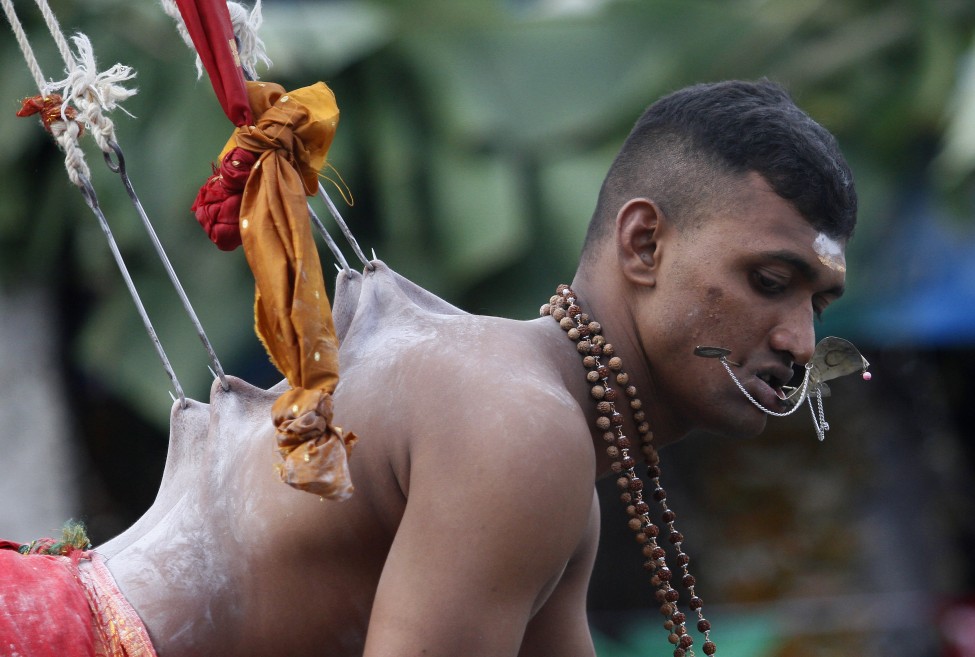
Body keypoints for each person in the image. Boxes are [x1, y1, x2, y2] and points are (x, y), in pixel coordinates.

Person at [2, 78, 857, 657]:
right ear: (643, 244)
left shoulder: (537, 427)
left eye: (816, 304)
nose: (795, 340)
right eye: (770, 282)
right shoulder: (521, 427)